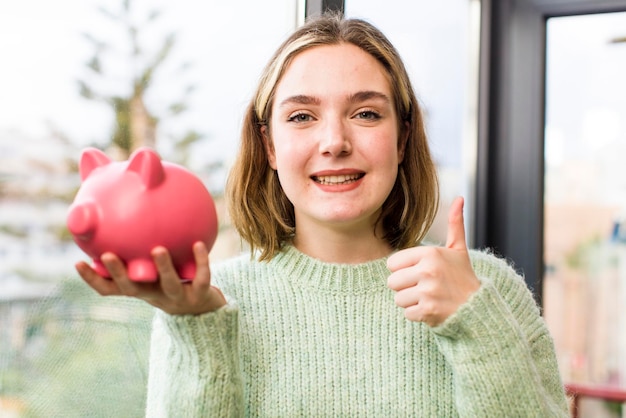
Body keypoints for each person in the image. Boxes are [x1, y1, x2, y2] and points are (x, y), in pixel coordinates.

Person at [76, 13, 569, 417]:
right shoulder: (205, 301)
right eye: (301, 116)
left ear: (401, 139)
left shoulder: (487, 291)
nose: (334, 142)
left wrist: (476, 324)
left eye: (366, 113)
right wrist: (199, 328)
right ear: (269, 145)